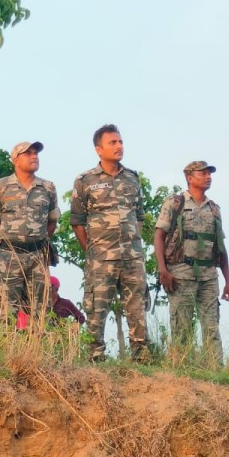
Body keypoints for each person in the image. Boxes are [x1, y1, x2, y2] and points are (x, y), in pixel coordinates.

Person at [69, 124, 148, 361]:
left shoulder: (133, 178)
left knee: (137, 309)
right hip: (101, 258)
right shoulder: (85, 180)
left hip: (132, 258)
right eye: (113, 143)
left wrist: (132, 243)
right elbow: (77, 221)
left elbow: (140, 216)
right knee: (96, 309)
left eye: (121, 142)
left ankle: (141, 358)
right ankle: (95, 359)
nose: (119, 146)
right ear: (98, 149)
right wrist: (93, 250)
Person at [153, 160, 229, 359]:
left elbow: (220, 246)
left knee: (211, 327)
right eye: (203, 173)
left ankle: (215, 371)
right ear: (190, 178)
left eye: (209, 174)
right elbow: (159, 236)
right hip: (180, 273)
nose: (208, 177)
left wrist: (228, 282)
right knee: (182, 327)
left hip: (208, 276)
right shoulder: (175, 203)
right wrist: (163, 270)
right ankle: (182, 371)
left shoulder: (214, 208)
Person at [0, 141, 59, 323]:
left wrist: (36, 240)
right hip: (10, 256)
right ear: (15, 159)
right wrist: (14, 239)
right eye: (28, 153)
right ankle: (8, 350)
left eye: (36, 153)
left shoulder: (48, 187)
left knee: (42, 313)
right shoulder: (1, 186)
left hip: (37, 255)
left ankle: (39, 350)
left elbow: (52, 221)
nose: (34, 156)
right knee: (7, 313)